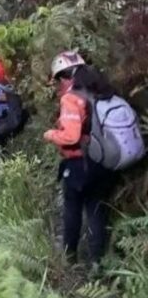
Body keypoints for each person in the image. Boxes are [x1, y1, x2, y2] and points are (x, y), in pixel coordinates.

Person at [43, 51, 117, 269]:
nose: (59, 85)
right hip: (103, 161)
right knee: (96, 211)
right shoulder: (102, 91)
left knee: (72, 209)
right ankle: (97, 262)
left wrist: (50, 134)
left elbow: (71, 136)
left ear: (66, 77)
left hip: (79, 164)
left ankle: (69, 257)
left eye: (59, 79)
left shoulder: (71, 98)